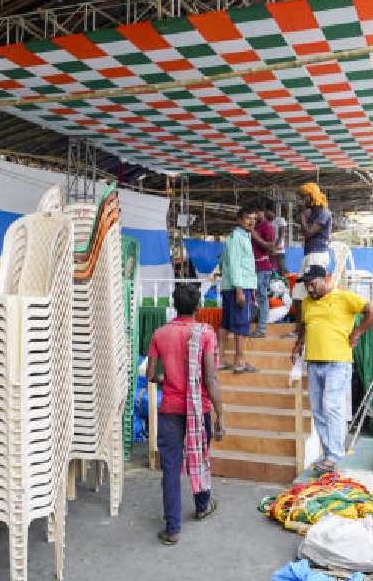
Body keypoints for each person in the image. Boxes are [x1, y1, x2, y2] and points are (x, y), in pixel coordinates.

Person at [146, 283, 225, 545]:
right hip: (199, 408)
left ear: (174, 305)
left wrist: (167, 377)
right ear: (198, 307)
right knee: (200, 456)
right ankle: (202, 505)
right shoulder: (205, 334)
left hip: (170, 410)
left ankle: (173, 529)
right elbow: (211, 378)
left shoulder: (160, 333)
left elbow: (150, 376)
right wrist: (220, 415)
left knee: (170, 468)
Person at [291, 265, 373, 473]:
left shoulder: (345, 297)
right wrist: (298, 344)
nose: (310, 289)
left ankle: (335, 455)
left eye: (312, 284)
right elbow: (304, 325)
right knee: (318, 411)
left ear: (325, 279)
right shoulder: (306, 303)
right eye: (306, 286)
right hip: (313, 363)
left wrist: (357, 332)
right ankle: (329, 453)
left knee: (332, 407)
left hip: (337, 363)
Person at [219, 206, 257, 373]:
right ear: (239, 220)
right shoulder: (236, 238)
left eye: (254, 219)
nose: (252, 222)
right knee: (241, 324)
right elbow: (235, 265)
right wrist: (240, 290)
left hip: (233, 286)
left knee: (226, 324)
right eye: (248, 218)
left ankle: (219, 359)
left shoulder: (242, 237)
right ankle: (239, 361)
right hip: (237, 287)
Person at [292, 182, 332, 302]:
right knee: (299, 292)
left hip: (317, 255)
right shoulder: (314, 212)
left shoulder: (323, 213)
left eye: (304, 197)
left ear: (311, 196)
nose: (302, 200)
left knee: (315, 290)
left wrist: (303, 217)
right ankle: (304, 320)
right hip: (310, 255)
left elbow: (309, 232)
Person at [250, 199, 277, 338]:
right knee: (255, 297)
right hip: (254, 267)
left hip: (263, 267)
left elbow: (271, 248)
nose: (254, 215)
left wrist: (256, 237)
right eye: (253, 213)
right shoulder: (256, 227)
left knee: (262, 297)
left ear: (263, 212)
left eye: (257, 212)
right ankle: (257, 325)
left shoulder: (268, 227)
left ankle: (261, 329)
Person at [272, 204, 288, 276]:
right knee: (274, 270)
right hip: (272, 249)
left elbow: (282, 235)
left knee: (281, 270)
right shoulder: (271, 222)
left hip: (279, 250)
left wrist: (275, 247)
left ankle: (285, 285)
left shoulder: (280, 220)